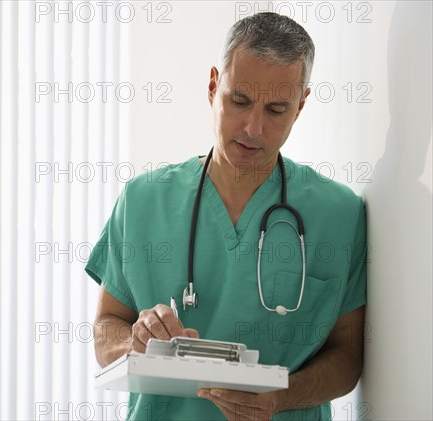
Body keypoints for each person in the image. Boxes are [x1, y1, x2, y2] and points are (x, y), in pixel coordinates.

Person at [85, 12, 366, 421]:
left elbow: (348, 355)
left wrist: (278, 397)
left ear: (301, 106)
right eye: (240, 101)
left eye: (275, 109)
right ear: (214, 85)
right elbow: (106, 328)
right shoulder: (143, 200)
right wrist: (135, 340)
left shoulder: (339, 214)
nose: (253, 128)